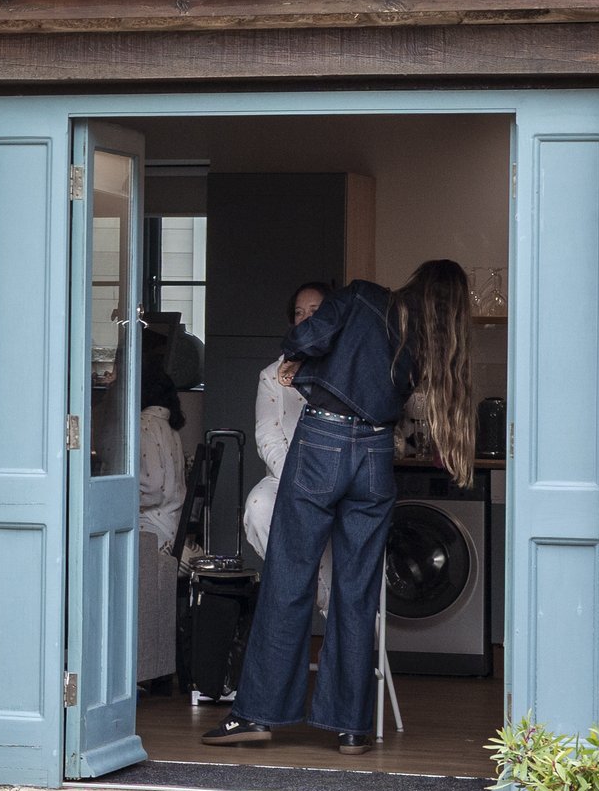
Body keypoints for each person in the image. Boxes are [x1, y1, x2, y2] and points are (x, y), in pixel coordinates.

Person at [204, 260, 475, 755]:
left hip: (323, 443)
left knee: (290, 579)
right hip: (376, 455)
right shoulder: (431, 340)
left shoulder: (364, 297)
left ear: (412, 277)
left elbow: (305, 339)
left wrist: (293, 361)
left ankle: (256, 714)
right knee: (357, 593)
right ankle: (351, 726)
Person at [242, 280, 336, 562]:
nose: (305, 318)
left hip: (340, 477)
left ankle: (329, 601)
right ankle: (299, 587)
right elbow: (268, 438)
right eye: (298, 312)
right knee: (259, 506)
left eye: (314, 310)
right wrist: (301, 483)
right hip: (289, 475)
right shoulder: (273, 375)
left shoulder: (346, 369)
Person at [139, 349, 187, 549]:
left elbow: (152, 488)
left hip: (153, 526)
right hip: (171, 522)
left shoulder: (145, 425)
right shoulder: (169, 428)